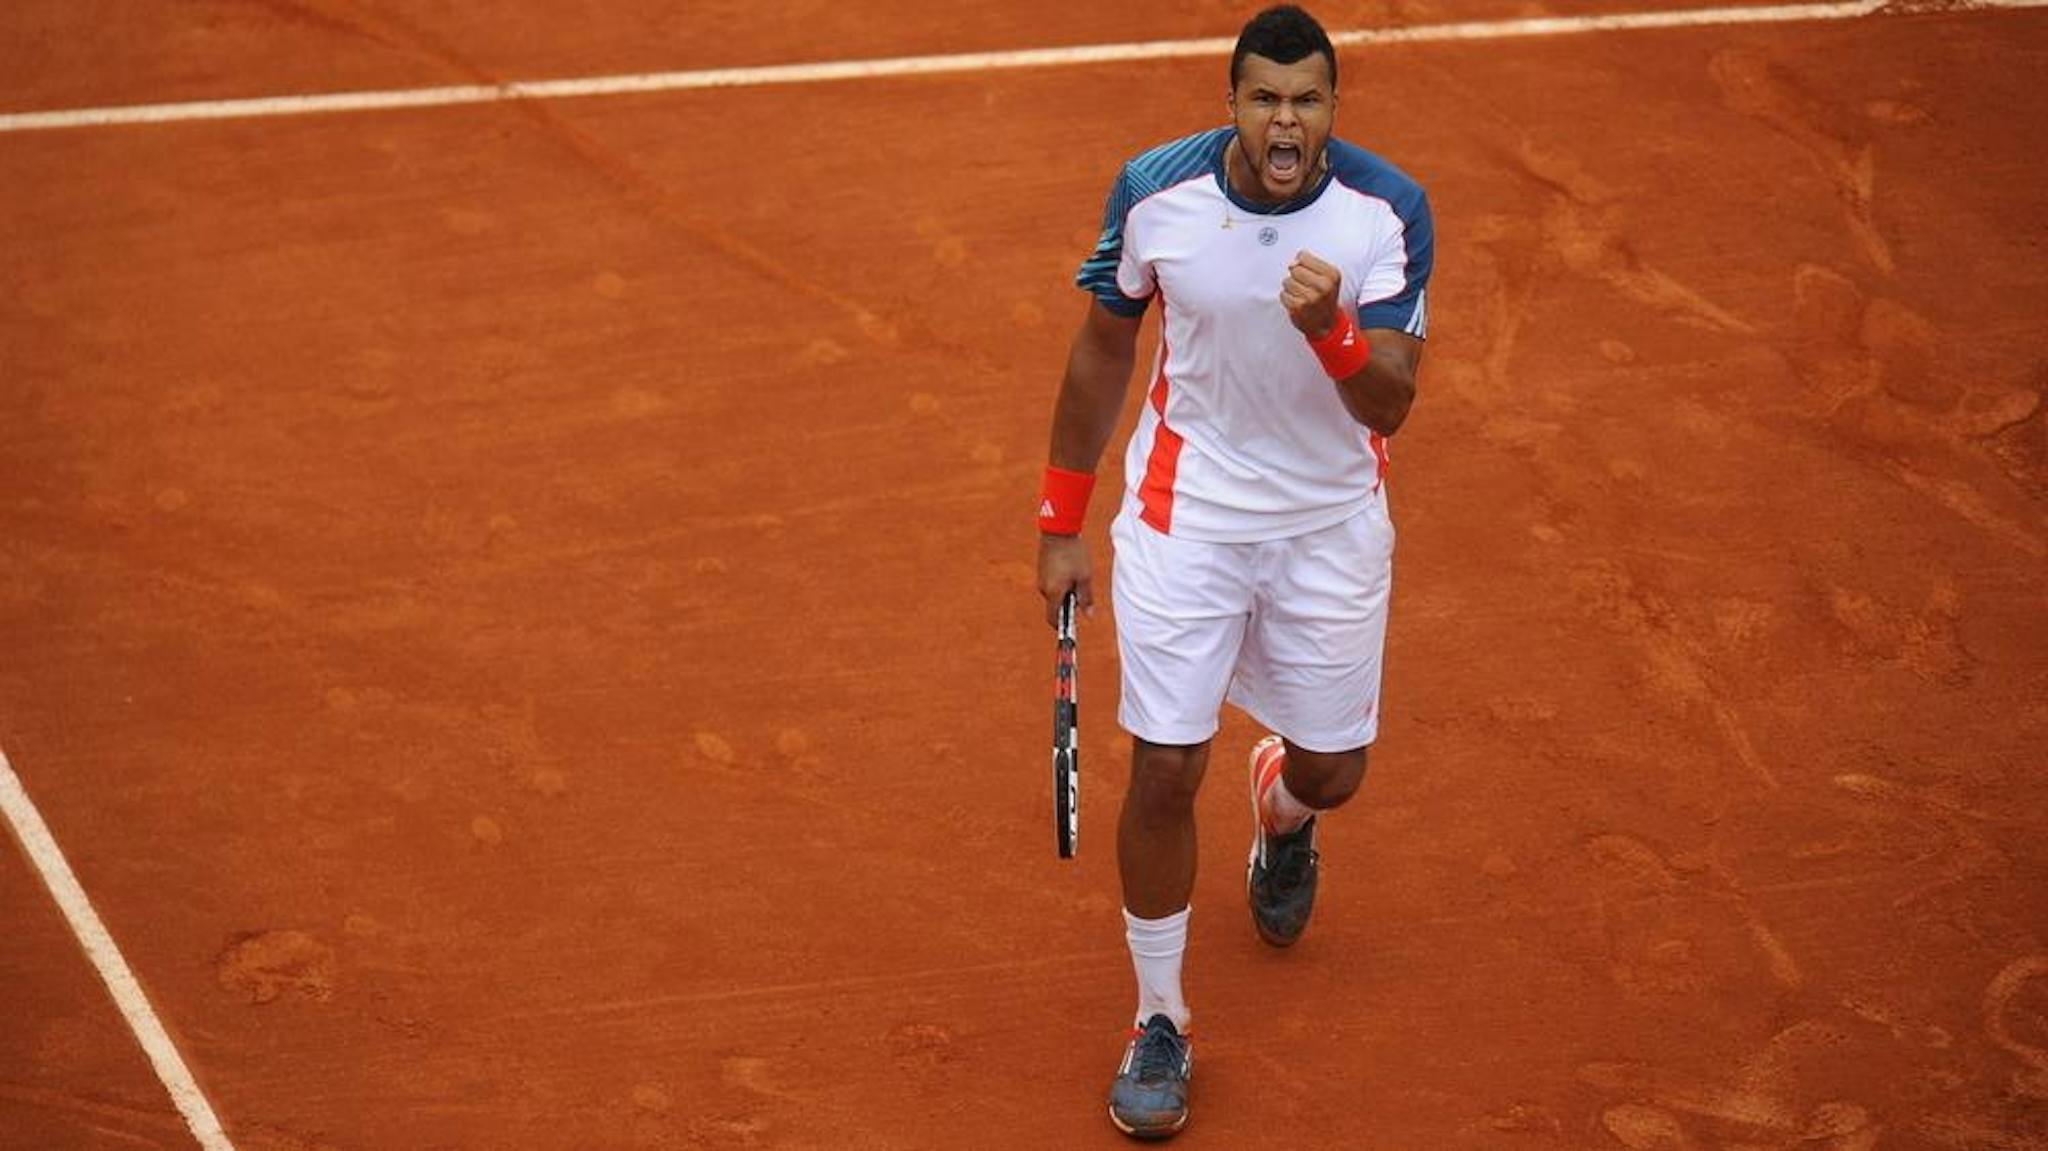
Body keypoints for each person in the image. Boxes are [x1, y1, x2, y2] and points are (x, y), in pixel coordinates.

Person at [1033, 4, 1434, 1138]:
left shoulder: (1386, 210)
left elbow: (1392, 397)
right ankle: (1158, 1018)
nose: (1283, 122)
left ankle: (1284, 809)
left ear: (1331, 111)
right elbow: (1104, 342)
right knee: (1163, 764)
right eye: (1263, 98)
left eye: (1305, 100)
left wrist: (1335, 333)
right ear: (1232, 104)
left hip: (1327, 526)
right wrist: (1059, 522)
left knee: (1336, 765)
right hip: (1184, 517)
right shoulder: (1153, 190)